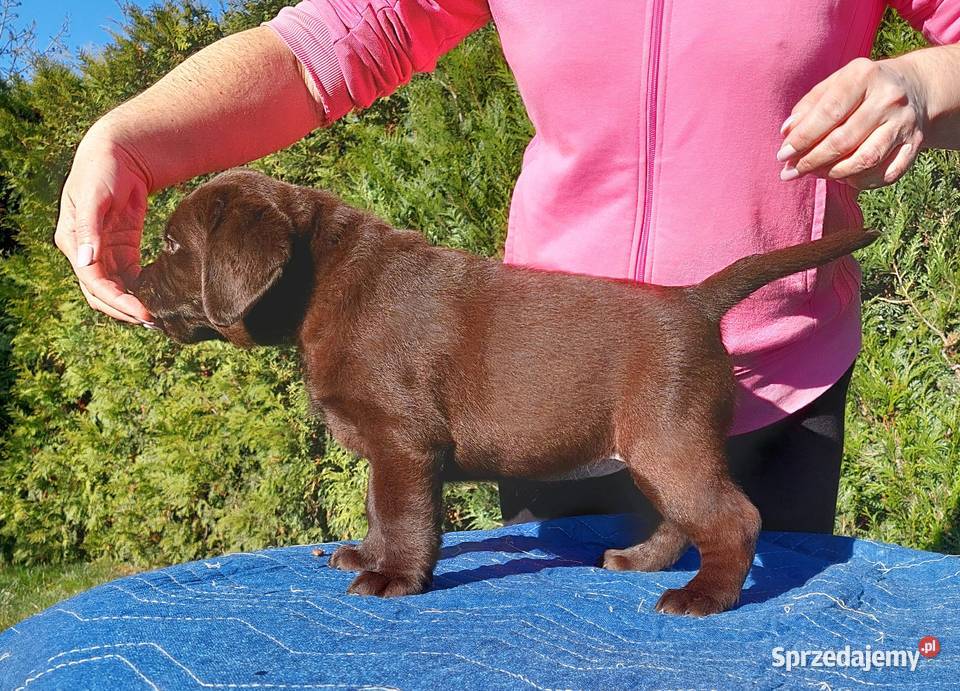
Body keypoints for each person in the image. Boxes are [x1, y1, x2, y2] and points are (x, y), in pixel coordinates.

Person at [54, 1, 960, 535]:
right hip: (540, 382)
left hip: (776, 382)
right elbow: (337, 39)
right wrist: (131, 141)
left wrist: (924, 85)